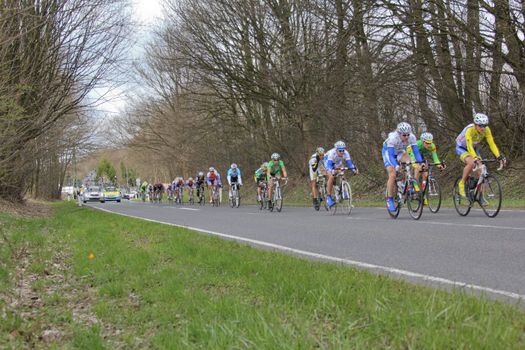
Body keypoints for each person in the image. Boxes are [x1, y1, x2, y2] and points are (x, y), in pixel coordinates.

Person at [455, 113, 506, 198]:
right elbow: (469, 145)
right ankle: (462, 183)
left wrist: (498, 156)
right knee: (471, 163)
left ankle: (480, 196)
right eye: (480, 126)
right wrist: (475, 158)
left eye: (484, 125)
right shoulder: (469, 130)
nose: (482, 128)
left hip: (473, 148)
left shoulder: (486, 130)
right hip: (462, 147)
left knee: (481, 170)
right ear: (475, 124)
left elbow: (492, 144)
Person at [382, 122, 423, 212]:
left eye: (408, 134)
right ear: (399, 134)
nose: (406, 137)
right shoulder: (393, 138)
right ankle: (389, 199)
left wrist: (420, 162)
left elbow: (416, 152)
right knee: (392, 174)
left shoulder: (412, 137)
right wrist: (396, 165)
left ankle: (407, 184)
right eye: (404, 135)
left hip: (400, 152)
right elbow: (391, 155)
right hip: (389, 153)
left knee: (411, 162)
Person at [407, 132, 446, 203]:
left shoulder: (432, 146)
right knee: (418, 168)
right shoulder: (417, 144)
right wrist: (415, 165)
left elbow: (435, 158)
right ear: (422, 141)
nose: (429, 145)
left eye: (430, 143)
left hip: (420, 155)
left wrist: (439, 165)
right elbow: (413, 157)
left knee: (425, 174)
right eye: (427, 143)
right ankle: (415, 186)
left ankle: (422, 193)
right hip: (410, 153)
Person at [324, 141, 358, 208]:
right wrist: (331, 171)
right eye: (340, 150)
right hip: (328, 161)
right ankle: (329, 197)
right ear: (336, 150)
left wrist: (354, 170)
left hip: (337, 162)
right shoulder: (331, 153)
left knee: (342, 171)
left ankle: (344, 191)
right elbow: (328, 165)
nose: (342, 152)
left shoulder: (346, 153)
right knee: (331, 177)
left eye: (343, 150)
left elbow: (350, 164)